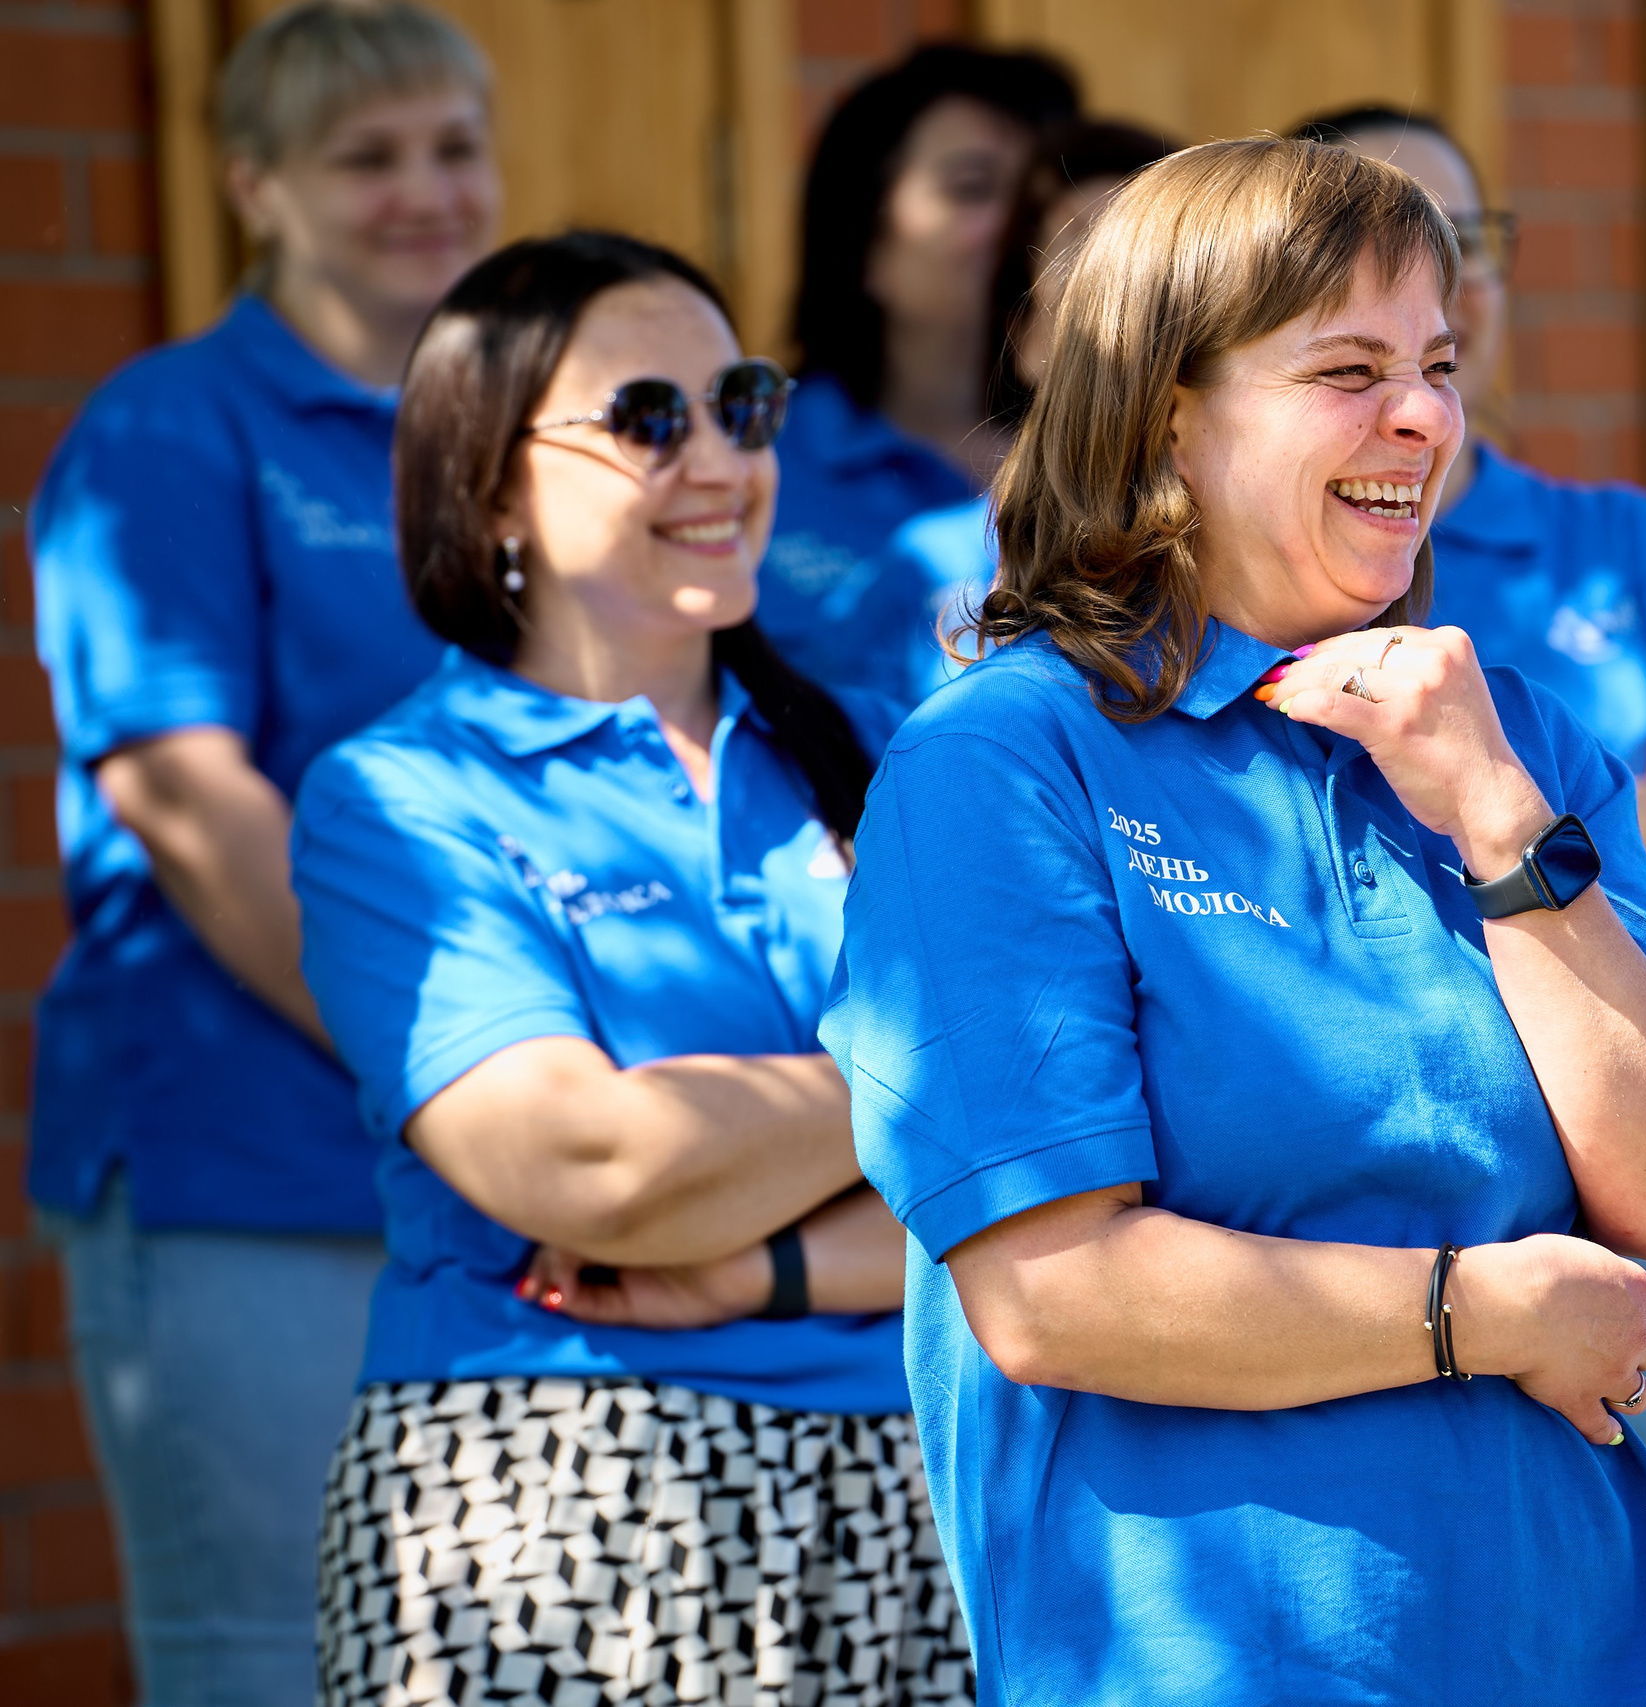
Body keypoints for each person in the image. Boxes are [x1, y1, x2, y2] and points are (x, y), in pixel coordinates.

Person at [827, 136, 1646, 1704]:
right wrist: (1480, 1310)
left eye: (1439, 364)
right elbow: (1053, 1291)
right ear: (1168, 415)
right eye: (1348, 369)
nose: (1422, 417)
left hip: (1592, 1653)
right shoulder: (1003, 759)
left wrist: (1496, 819)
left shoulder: (1514, 737)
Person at [289, 231, 968, 1707]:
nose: (720, 458)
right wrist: (933, 1055)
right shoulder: (398, 798)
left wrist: (765, 1258)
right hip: (552, 1489)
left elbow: (1082, 1149)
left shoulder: (898, 752)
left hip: (933, 1481)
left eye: (742, 402)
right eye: (650, 417)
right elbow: (592, 1166)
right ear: (490, 485)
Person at [1301, 103, 1646, 1707]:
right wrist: (1596, 835)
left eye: (1467, 248)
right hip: (1388, 1230)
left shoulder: (1619, 540)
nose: (1440, 298)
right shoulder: (1218, 606)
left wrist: (1483, 811)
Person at [26, 5, 498, 1697]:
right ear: (255, 185)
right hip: (261, 1157)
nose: (424, 192)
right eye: (364, 158)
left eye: (452, 147)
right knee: (274, 1661)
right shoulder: (168, 431)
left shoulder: (512, 430)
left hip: (491, 1159)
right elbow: (182, 795)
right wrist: (460, 1068)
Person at [758, 44, 1078, 698]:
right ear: (865, 242)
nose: (1022, 225)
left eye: (1039, 196)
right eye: (973, 188)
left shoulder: (1132, 456)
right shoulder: (756, 460)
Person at [885, 118, 1177, 704]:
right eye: (1087, 255)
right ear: (1024, 335)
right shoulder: (920, 568)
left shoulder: (1323, 553)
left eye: (1166, 260)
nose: (1138, 300)